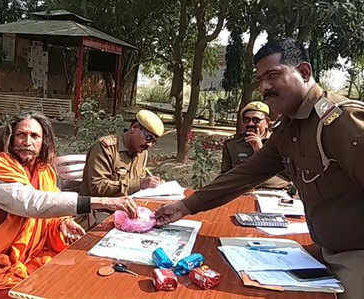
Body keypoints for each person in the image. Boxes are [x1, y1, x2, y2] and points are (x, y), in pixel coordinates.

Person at [155, 38, 364, 299]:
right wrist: (186, 206)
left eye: (273, 76)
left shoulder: (337, 121)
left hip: (355, 255)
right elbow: (245, 175)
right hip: (323, 248)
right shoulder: (288, 130)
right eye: (261, 79)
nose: (264, 87)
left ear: (304, 72)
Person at [0, 111, 138, 299]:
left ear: (43, 142)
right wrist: (100, 202)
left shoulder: (43, 169)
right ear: (10, 137)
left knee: (81, 277)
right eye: (21, 134)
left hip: (34, 252)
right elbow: (30, 202)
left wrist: (62, 221)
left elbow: (51, 198)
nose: (27, 141)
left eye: (34, 136)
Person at [79, 109, 164, 197]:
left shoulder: (142, 152)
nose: (149, 144)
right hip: (100, 206)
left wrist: (152, 184)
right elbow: (97, 187)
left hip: (128, 203)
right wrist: (139, 184)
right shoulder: (105, 148)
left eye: (154, 141)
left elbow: (140, 181)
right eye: (148, 138)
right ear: (134, 128)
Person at [221, 101, 289, 189]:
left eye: (256, 120)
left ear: (267, 122)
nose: (250, 124)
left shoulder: (280, 143)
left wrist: (261, 151)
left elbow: (287, 177)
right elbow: (225, 176)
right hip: (241, 193)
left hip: (273, 193)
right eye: (246, 120)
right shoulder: (231, 145)